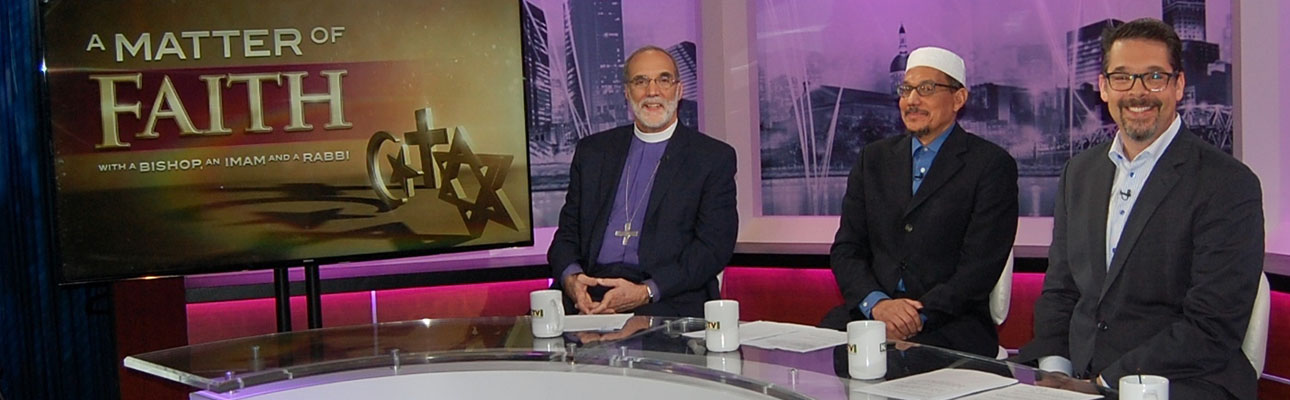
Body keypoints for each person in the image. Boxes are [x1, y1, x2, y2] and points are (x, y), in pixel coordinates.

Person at [1017, 18, 1263, 400]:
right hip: (1079, 378)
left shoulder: (1229, 184)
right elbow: (1061, 291)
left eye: (1154, 77)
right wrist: (1055, 372)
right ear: (1103, 87)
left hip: (1182, 382)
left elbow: (1211, 326)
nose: (1138, 92)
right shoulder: (1078, 173)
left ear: (1178, 85)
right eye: (1122, 78)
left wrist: (1102, 384)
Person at [822, 46, 1019, 358]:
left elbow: (979, 269)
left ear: (958, 99)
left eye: (926, 89)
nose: (912, 100)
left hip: (950, 324)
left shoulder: (991, 165)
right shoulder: (873, 159)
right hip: (870, 317)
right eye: (906, 89)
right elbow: (847, 250)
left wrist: (914, 316)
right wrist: (877, 305)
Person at [547, 45, 738, 318]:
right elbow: (566, 236)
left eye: (663, 80)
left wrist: (645, 292)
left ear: (679, 90)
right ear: (627, 92)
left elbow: (712, 248)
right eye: (640, 81)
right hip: (588, 297)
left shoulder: (711, 158)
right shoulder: (593, 152)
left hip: (666, 298)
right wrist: (572, 280)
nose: (652, 91)